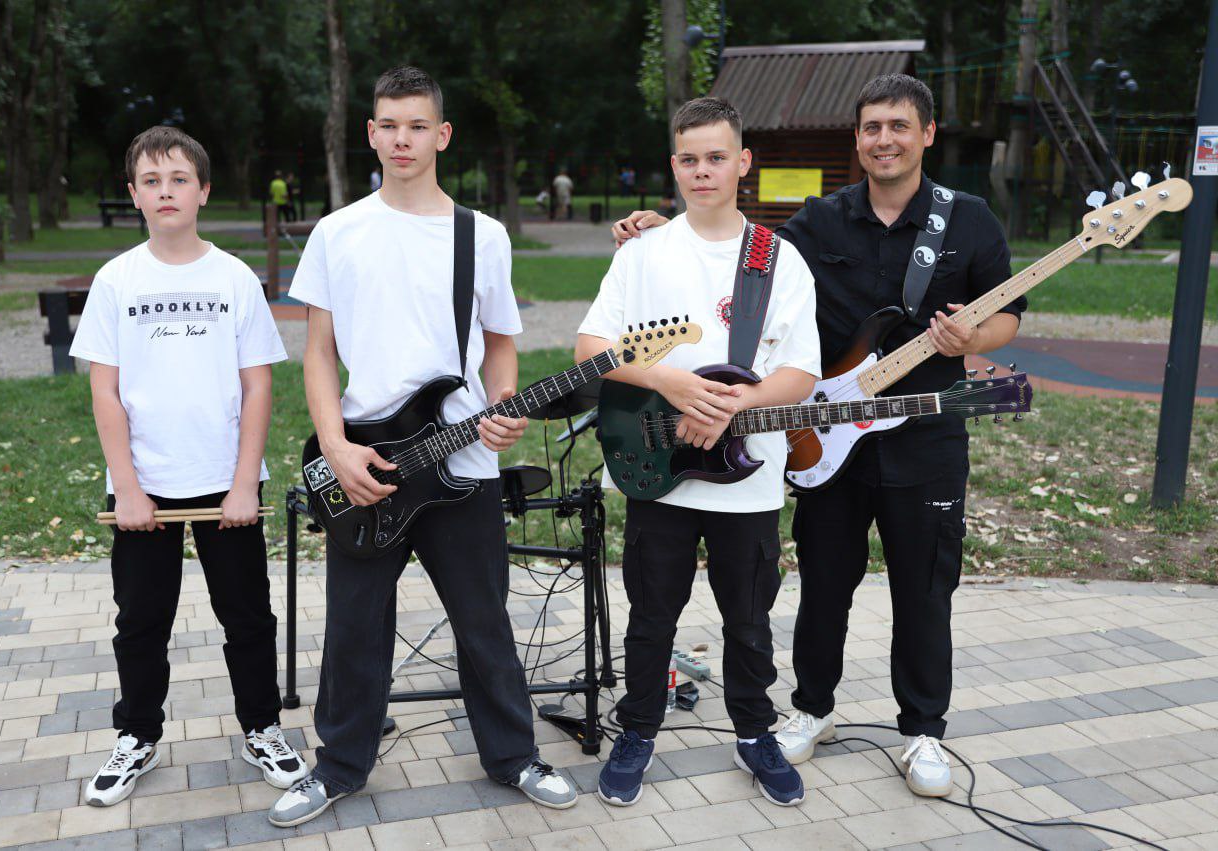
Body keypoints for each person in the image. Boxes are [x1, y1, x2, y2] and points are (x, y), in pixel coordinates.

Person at [611, 74, 1025, 798]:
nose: (884, 140)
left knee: (924, 591)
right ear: (857, 139)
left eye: (899, 126)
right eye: (872, 128)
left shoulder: (969, 220)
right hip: (827, 438)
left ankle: (923, 730)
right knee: (823, 585)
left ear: (927, 133)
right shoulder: (819, 223)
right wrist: (657, 225)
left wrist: (973, 338)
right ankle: (810, 709)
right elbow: (731, 245)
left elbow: (1009, 317)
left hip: (925, 435)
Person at [267, 66, 578, 828]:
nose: (401, 139)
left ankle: (513, 755)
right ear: (371, 134)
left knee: (484, 621)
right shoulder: (337, 232)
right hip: (366, 463)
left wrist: (504, 403)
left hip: (463, 464)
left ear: (442, 135)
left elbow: (499, 343)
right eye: (388, 125)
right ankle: (339, 765)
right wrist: (335, 447)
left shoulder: (483, 235)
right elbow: (317, 353)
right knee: (353, 626)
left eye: (416, 126)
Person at [577, 96, 821, 809]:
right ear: (674, 165)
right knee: (652, 615)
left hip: (749, 481)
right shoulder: (643, 253)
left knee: (748, 619)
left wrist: (730, 407)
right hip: (658, 472)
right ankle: (638, 731)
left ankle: (754, 732)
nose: (703, 170)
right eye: (689, 159)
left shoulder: (777, 260)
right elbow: (590, 347)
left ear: (743, 162)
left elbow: (800, 372)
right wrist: (668, 383)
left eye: (717, 157)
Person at [69, 126, 306, 807]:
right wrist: (128, 488)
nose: (165, 191)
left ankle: (262, 727)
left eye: (179, 179)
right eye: (152, 181)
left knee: (249, 618)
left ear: (203, 190)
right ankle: (137, 734)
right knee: (141, 621)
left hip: (226, 483)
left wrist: (244, 481)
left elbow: (258, 386)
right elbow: (105, 392)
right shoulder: (117, 280)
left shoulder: (234, 278)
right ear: (134, 194)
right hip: (143, 488)